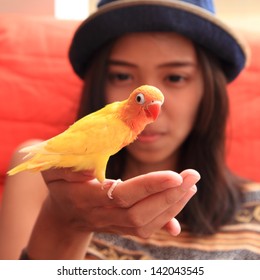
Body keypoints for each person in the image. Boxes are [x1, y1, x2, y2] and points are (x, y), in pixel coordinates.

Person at [0, 0, 259, 260]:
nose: (155, 114)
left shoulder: (255, 209)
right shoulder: (41, 173)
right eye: (122, 76)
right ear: (99, 82)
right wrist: (64, 223)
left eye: (176, 77)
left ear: (209, 90)